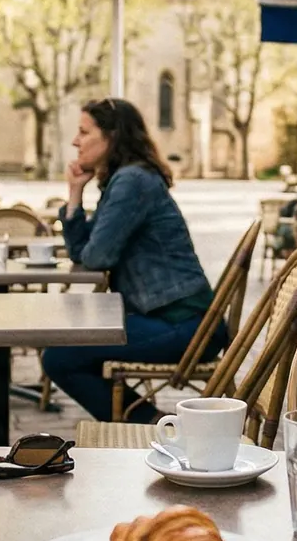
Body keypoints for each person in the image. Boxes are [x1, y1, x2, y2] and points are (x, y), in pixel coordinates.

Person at [41, 98, 225, 423]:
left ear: (112, 136)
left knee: (61, 356)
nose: (75, 141)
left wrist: (79, 216)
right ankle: (151, 421)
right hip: (173, 320)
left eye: (83, 132)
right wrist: (74, 195)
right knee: (66, 350)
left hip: (183, 325)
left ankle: (149, 424)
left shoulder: (131, 182)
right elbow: (83, 252)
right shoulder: (124, 180)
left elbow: (96, 256)